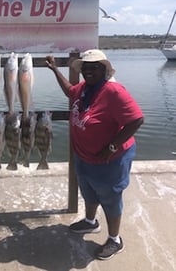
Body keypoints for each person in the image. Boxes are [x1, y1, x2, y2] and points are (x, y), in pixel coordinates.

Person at [46, 49, 144, 260]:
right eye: (85, 68)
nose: (88, 71)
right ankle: (91, 222)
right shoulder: (84, 89)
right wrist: (54, 70)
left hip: (110, 160)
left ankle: (115, 239)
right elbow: (70, 91)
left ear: (105, 69)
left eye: (94, 67)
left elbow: (136, 120)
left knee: (110, 197)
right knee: (89, 192)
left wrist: (111, 147)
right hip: (84, 156)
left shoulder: (114, 92)